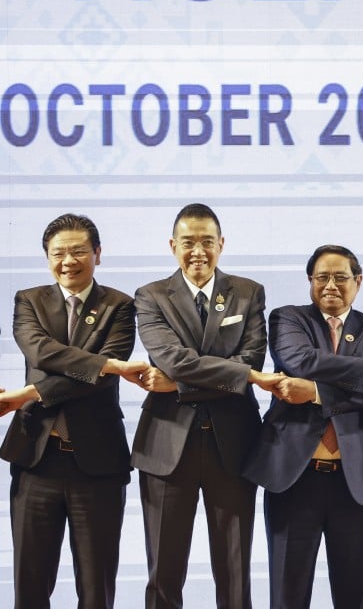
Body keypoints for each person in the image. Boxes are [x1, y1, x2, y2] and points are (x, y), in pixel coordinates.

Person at [243, 244, 363, 609]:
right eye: (321, 277)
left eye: (340, 277)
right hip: (293, 476)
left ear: (358, 282)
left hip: (354, 477)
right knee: (287, 592)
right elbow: (300, 361)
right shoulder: (288, 319)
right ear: (310, 281)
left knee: (357, 593)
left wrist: (313, 392)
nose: (331, 285)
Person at [131, 203, 283, 609]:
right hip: (166, 446)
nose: (198, 251)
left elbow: (250, 362)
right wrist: (234, 377)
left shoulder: (248, 292)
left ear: (221, 244)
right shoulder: (150, 296)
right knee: (164, 573)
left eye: (207, 242)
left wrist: (179, 384)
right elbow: (172, 358)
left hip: (233, 445)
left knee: (234, 572)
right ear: (172, 245)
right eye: (188, 242)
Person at [0, 213, 149, 609]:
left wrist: (28, 392)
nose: (68, 261)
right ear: (48, 257)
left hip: (97, 465)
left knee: (96, 588)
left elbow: (100, 377)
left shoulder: (120, 305)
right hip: (36, 460)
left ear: (97, 254)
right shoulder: (28, 300)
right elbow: (39, 351)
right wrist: (103, 364)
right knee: (29, 586)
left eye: (78, 251)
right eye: (58, 253)